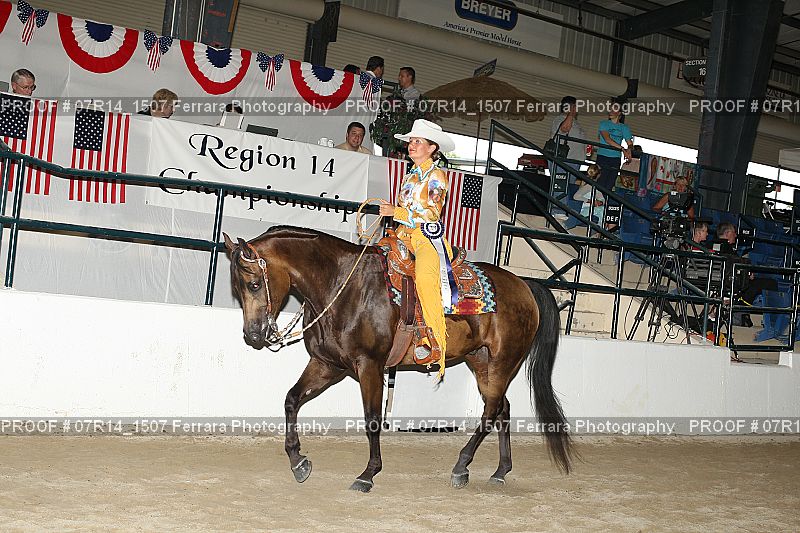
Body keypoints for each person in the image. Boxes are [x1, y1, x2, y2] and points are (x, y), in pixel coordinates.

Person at [378, 119, 456, 376]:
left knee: (424, 278)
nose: (411, 145)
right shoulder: (409, 176)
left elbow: (431, 213)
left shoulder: (437, 176)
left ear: (432, 148)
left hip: (426, 236)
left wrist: (397, 212)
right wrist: (395, 217)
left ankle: (433, 340)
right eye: (411, 141)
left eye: (417, 141)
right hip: (403, 234)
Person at [550, 96, 587, 221]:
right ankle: (557, 210)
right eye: (575, 106)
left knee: (568, 185)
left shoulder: (576, 122)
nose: (577, 109)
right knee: (560, 182)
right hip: (563, 158)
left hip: (574, 160)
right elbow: (564, 129)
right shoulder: (560, 119)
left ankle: (565, 210)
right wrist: (570, 113)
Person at [596, 99, 634, 191]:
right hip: (603, 156)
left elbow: (630, 143)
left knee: (610, 184)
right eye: (611, 109)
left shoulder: (624, 127)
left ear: (619, 113)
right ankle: (596, 198)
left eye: (614, 109)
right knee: (600, 182)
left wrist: (629, 149)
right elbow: (607, 139)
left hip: (615, 159)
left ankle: (604, 199)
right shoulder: (604, 124)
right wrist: (622, 149)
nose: (611, 111)